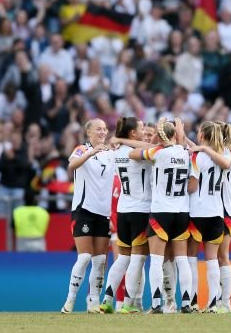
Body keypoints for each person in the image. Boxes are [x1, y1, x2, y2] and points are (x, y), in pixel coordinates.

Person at [127, 118, 194, 313]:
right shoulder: (185, 152)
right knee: (182, 260)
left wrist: (154, 143)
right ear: (176, 134)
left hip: (161, 211)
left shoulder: (158, 152)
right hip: (182, 211)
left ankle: (156, 304)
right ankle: (187, 303)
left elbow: (132, 154)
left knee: (156, 260)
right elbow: (183, 143)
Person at [61, 119, 114, 314]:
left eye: (105, 128)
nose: (103, 131)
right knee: (84, 257)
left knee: (100, 261)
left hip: (104, 213)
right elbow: (72, 166)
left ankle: (93, 302)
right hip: (84, 210)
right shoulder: (81, 149)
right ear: (89, 132)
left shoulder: (111, 154)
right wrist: (92, 152)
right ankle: (70, 300)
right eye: (99, 128)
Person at [99, 116, 150, 314]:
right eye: (142, 128)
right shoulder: (137, 151)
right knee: (138, 259)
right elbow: (150, 146)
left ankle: (107, 300)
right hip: (140, 209)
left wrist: (120, 140)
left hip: (123, 209)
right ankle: (129, 303)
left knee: (122, 259)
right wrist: (123, 140)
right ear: (133, 133)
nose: (145, 131)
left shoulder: (117, 152)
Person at [185, 121, 231, 313]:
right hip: (216, 212)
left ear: (203, 136)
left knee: (191, 257)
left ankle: (193, 301)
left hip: (197, 212)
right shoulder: (225, 154)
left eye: (198, 132)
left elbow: (193, 186)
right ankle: (214, 303)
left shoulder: (197, 157)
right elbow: (225, 164)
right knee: (212, 259)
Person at [217, 122, 231, 313]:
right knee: (214, 257)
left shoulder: (225, 154)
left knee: (222, 256)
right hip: (215, 208)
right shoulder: (220, 152)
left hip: (224, 209)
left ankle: (226, 302)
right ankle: (217, 301)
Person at [13, 187, 50, 251]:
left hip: (22, 241)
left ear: (23, 198)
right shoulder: (43, 212)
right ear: (35, 199)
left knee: (23, 260)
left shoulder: (17, 211)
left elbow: (12, 227)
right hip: (39, 241)